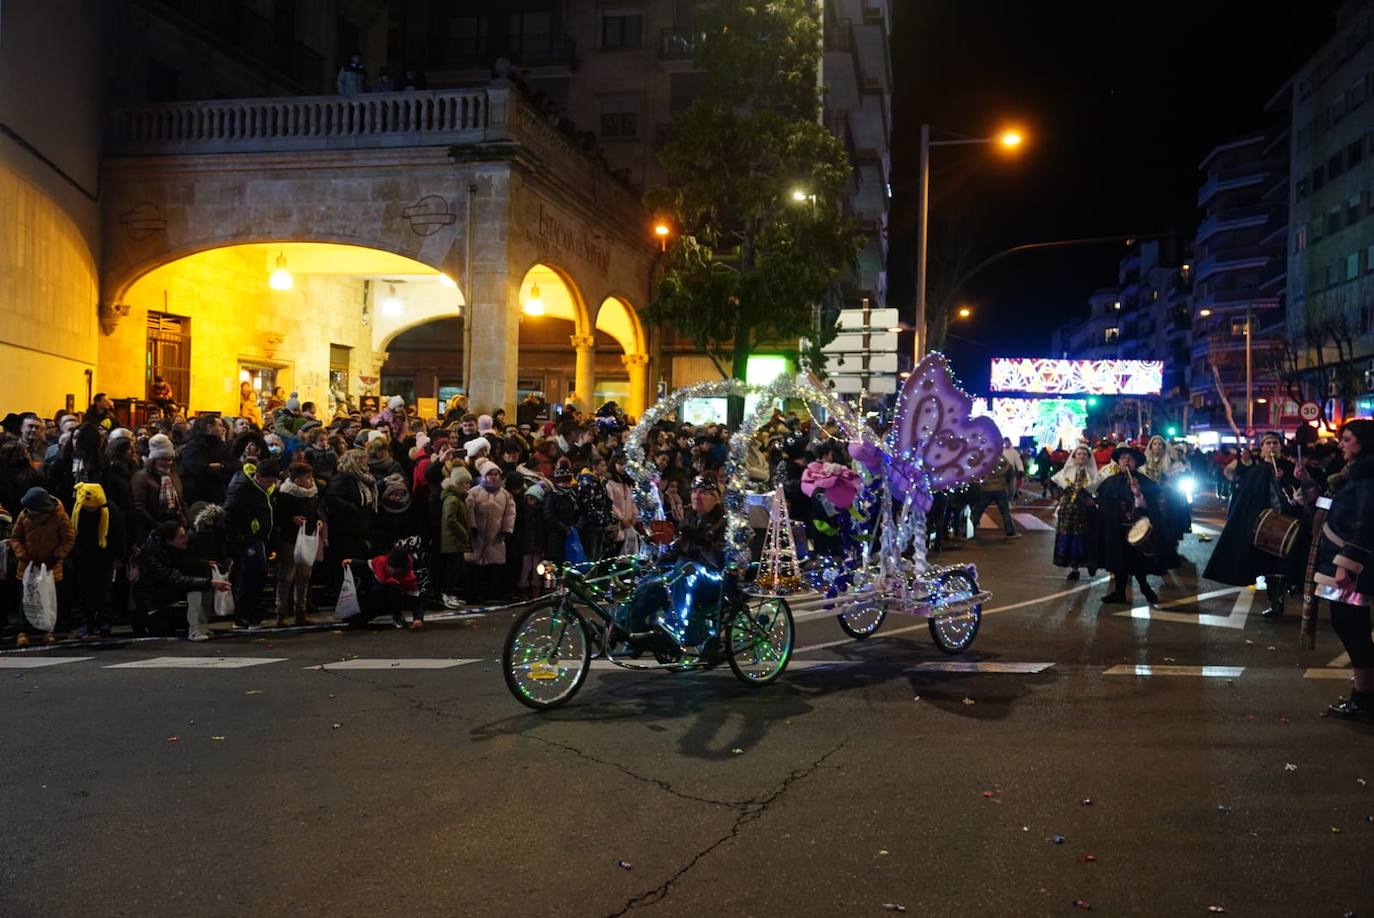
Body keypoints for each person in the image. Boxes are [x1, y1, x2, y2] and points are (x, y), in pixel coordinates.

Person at [1307, 419, 1374, 723]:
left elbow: (1366, 523)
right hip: (1337, 564)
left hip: (1348, 569)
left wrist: (1346, 564)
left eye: (1347, 439)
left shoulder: (1367, 477)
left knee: (1352, 627)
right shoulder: (1350, 475)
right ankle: (1364, 695)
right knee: (1345, 625)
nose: (1341, 444)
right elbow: (1334, 512)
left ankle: (1364, 698)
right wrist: (1308, 495)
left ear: (1362, 442)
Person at [1204, 433, 1303, 617]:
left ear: (1280, 447)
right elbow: (1245, 499)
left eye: (1275, 443)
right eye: (1268, 443)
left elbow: (1300, 493)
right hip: (1264, 527)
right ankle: (1275, 601)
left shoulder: (1290, 469)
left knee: (1286, 563)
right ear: (1262, 448)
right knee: (1269, 565)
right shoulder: (1255, 472)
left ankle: (1286, 592)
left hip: (1288, 523)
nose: (1272, 446)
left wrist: (1284, 482)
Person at [627, 475, 729, 650]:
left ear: (715, 498)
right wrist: (658, 562)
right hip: (683, 572)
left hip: (712, 579)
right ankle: (630, 627)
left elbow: (720, 559)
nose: (697, 496)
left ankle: (674, 628)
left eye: (704, 492)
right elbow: (678, 549)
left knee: (686, 569)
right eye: (694, 491)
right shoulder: (689, 518)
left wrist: (701, 540)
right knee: (652, 581)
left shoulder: (723, 521)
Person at [1096, 446, 1171, 606]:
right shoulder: (1110, 482)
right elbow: (1103, 503)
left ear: (1136, 462)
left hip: (1137, 527)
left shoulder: (1144, 482)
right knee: (1118, 560)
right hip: (1116, 528)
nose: (1126, 461)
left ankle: (1145, 588)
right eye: (1123, 458)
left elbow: (1149, 506)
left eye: (1130, 458)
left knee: (1137, 560)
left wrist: (1138, 493)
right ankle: (1119, 592)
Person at [7, 487, 75, 645]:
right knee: (26, 599)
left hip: (50, 567)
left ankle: (47, 630)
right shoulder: (24, 516)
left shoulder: (59, 517)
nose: (29, 511)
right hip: (28, 566)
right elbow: (15, 538)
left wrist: (56, 556)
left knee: (47, 599)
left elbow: (68, 539)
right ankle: (22, 632)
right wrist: (23, 555)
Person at [223, 457, 279, 626]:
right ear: (258, 476)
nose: (270, 485)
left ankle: (250, 612)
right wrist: (240, 539)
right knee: (248, 578)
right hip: (248, 540)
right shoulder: (242, 490)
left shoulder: (265, 490)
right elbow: (228, 516)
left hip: (260, 539)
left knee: (258, 577)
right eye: (268, 481)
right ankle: (242, 615)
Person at [69, 482, 125, 638]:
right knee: (84, 591)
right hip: (83, 555)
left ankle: (103, 621)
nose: (90, 509)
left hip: (105, 556)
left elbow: (120, 536)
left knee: (104, 591)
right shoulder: (77, 510)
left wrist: (118, 557)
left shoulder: (111, 512)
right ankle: (86, 623)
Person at [274, 462, 324, 627]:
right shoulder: (285, 495)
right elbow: (278, 516)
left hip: (307, 538)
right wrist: (291, 519)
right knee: (286, 576)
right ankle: (281, 613)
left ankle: (300, 612)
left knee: (304, 576)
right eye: (307, 478)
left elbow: (316, 511)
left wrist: (317, 522)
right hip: (289, 539)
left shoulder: (312, 493)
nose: (311, 481)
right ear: (296, 480)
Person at [466, 460, 515, 601]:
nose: (493, 477)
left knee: (494, 565)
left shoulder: (505, 495)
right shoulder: (474, 492)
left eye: (496, 474)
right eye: (490, 474)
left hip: (496, 536)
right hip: (478, 535)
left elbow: (510, 513)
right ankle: (476, 594)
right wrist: (472, 526)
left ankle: (493, 592)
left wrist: (507, 530)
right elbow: (470, 511)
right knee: (476, 565)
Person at [1051, 445, 1101, 581]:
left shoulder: (1094, 474)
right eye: (1079, 454)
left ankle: (1091, 562)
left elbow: (1097, 491)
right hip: (1069, 511)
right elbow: (1056, 485)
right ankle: (1074, 568)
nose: (1081, 457)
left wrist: (1093, 500)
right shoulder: (1066, 472)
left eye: (1084, 454)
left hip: (1086, 511)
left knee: (1087, 538)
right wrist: (1060, 496)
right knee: (1070, 538)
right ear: (1074, 456)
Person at [342, 546, 421, 629]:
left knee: (396, 590)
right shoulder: (381, 561)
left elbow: (415, 600)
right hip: (375, 596)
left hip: (390, 601)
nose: (391, 571)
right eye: (390, 567)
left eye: (395, 569)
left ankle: (397, 616)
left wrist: (418, 618)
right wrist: (352, 562)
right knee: (351, 620)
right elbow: (365, 565)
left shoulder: (409, 577)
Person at [439, 464, 474, 608]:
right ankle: (447, 594)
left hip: (456, 540)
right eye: (465, 482)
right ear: (459, 483)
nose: (468, 485)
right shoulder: (452, 499)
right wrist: (463, 532)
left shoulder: (458, 498)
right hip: (453, 540)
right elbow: (450, 519)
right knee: (453, 569)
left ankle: (450, 593)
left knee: (457, 568)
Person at [971, 456, 1020, 539]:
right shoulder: (1004, 461)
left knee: (978, 510)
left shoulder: (985, 458)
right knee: (1005, 512)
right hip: (1000, 488)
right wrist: (1011, 492)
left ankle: (970, 529)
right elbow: (1010, 475)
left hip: (986, 488)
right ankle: (1010, 532)